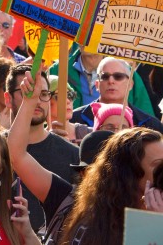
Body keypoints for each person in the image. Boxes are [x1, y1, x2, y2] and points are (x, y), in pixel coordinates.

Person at [11, 70, 163, 245]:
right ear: (129, 173)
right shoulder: (68, 201)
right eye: (158, 165)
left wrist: (156, 224)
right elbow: (16, 155)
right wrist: (29, 102)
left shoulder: (154, 221)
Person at [4, 64, 79, 232]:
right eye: (28, 91)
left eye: (43, 94)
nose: (37, 100)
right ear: (7, 99)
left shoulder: (73, 156)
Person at [70, 57, 163, 133]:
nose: (111, 81)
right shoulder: (74, 119)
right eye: (104, 77)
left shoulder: (150, 125)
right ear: (97, 85)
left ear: (130, 84)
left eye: (118, 76)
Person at [47, 75, 91, 144]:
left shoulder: (88, 134)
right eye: (59, 96)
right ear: (45, 101)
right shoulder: (36, 139)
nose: (68, 101)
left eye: (70, 95)